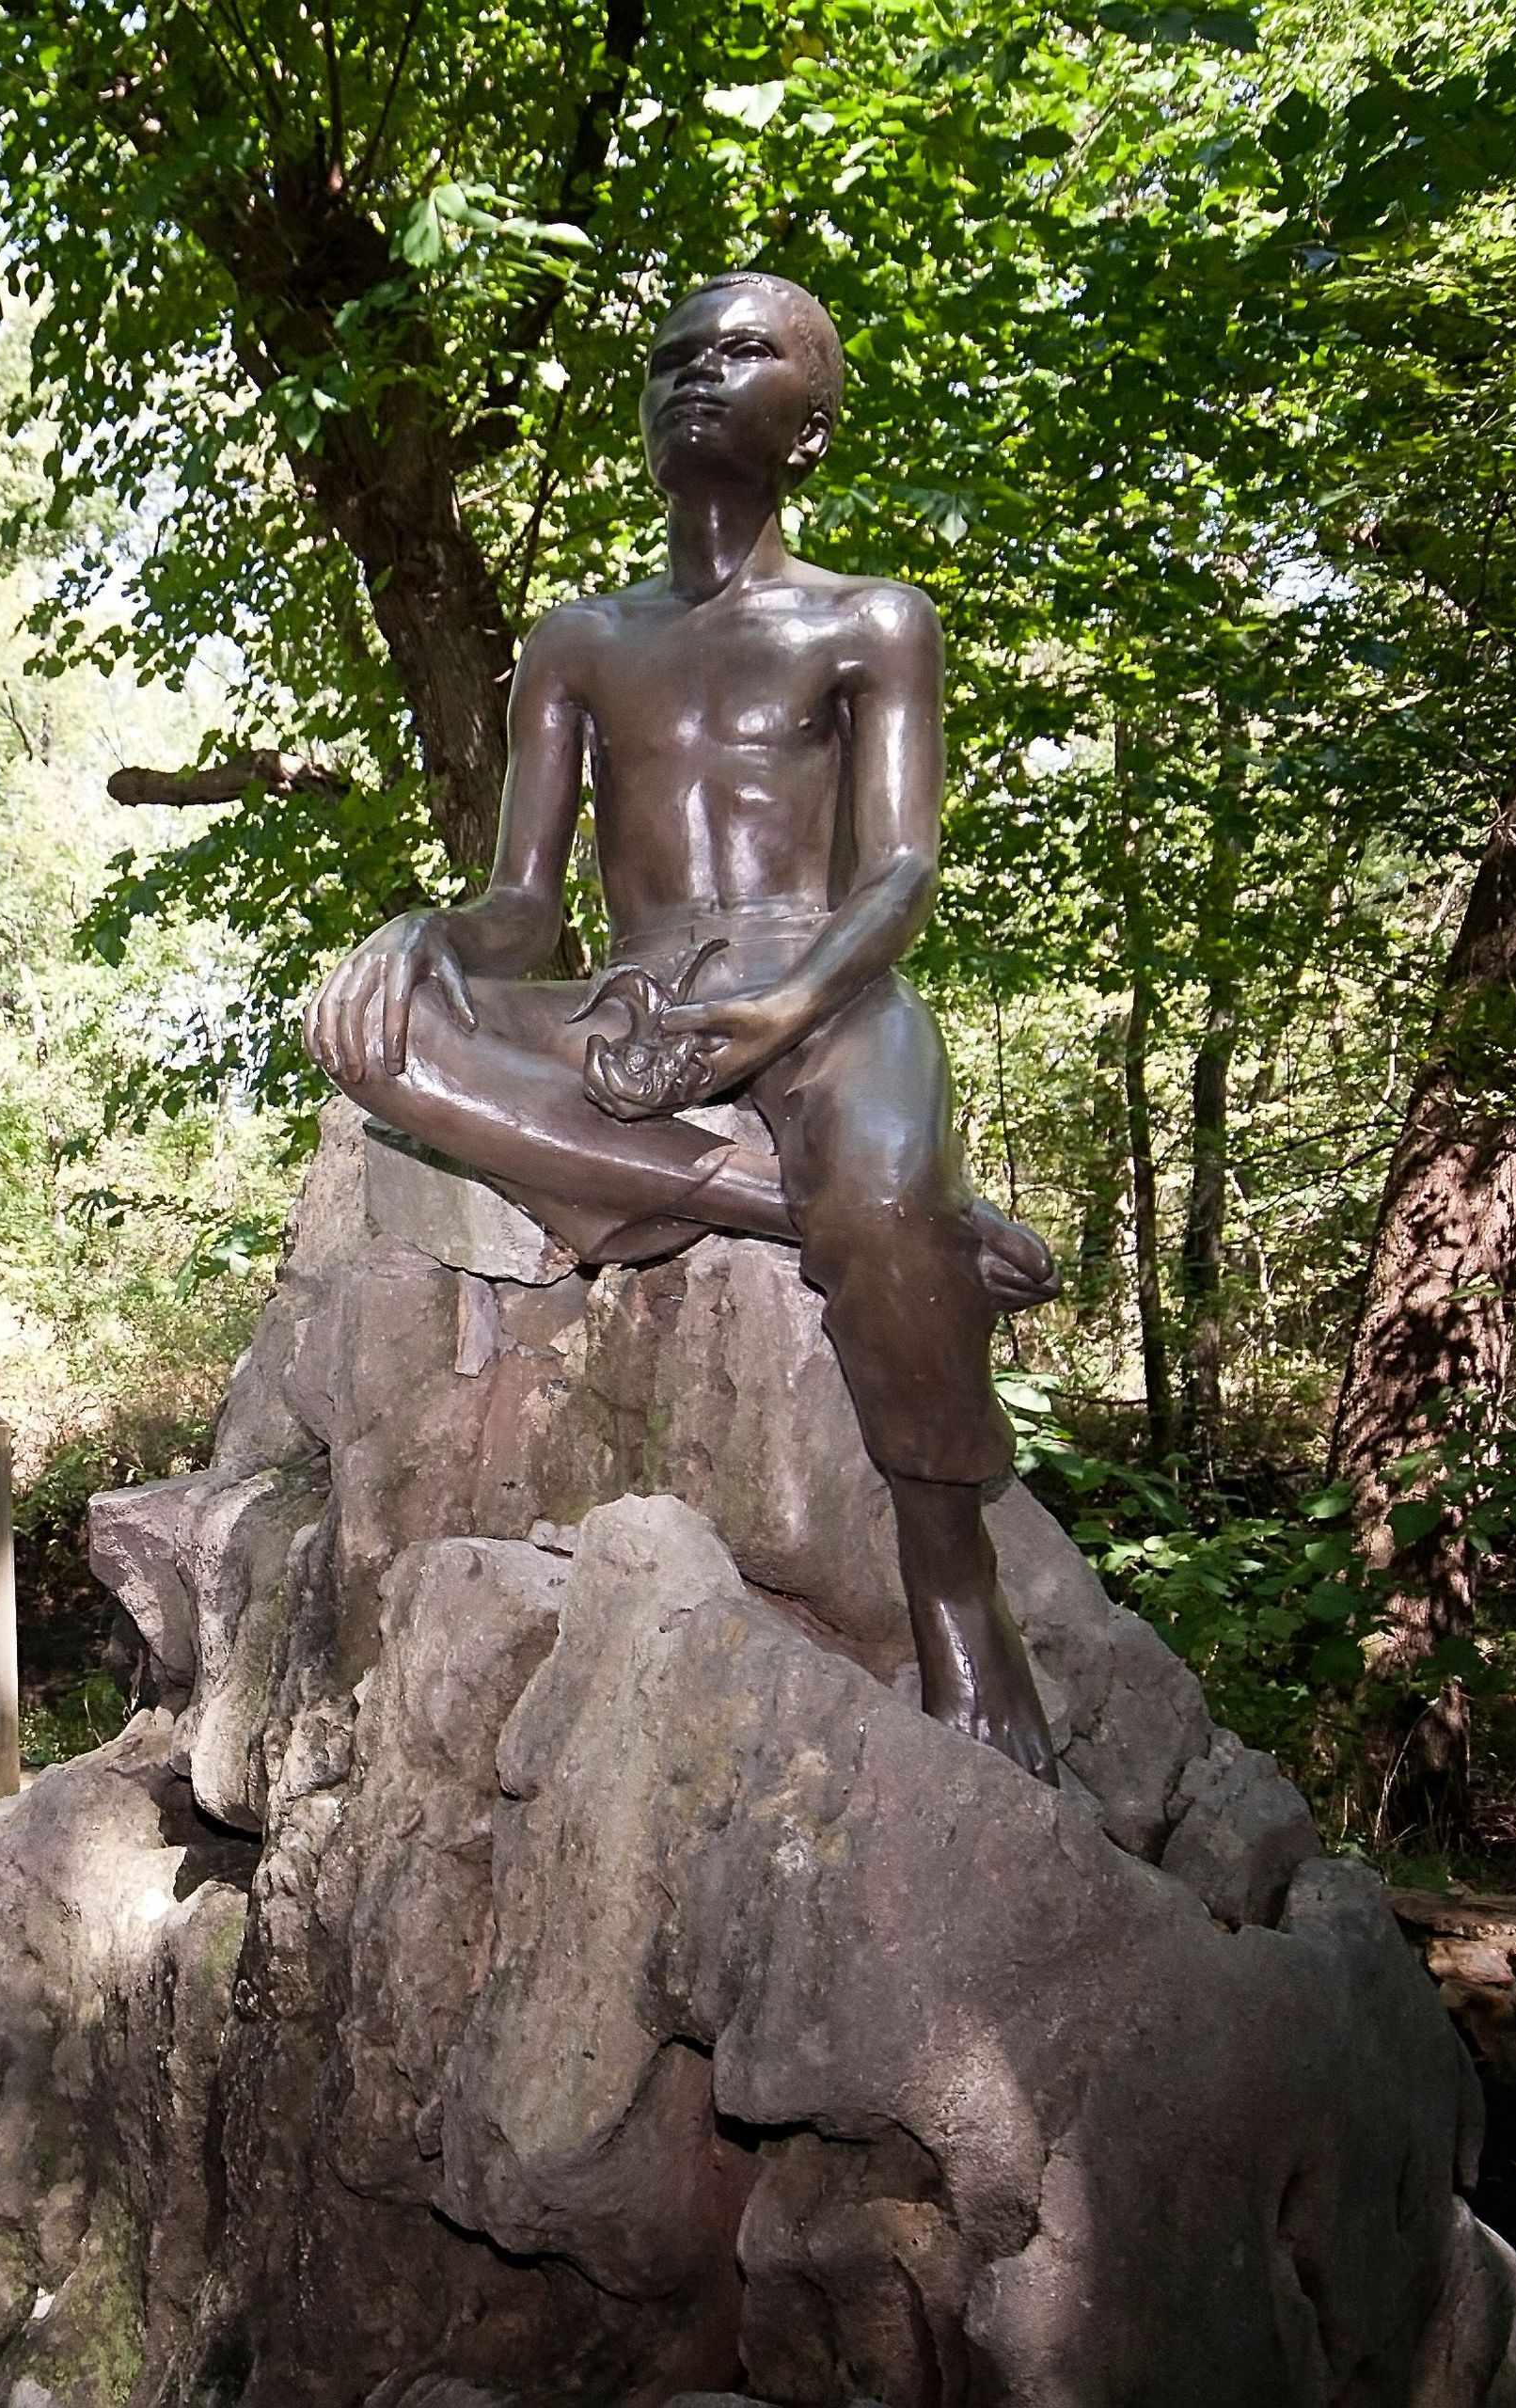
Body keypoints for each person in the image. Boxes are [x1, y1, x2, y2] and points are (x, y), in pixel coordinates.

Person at [302, 270, 1061, 1775]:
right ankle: (807, 1212)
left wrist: (777, 1011)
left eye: (742, 353)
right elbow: (524, 904)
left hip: (826, 981)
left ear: (816, 421)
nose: (695, 379)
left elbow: (900, 869)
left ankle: (956, 1593)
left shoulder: (872, 620)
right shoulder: (577, 641)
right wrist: (426, 934)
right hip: (635, 988)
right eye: (669, 361)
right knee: (371, 1033)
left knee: (886, 1168)